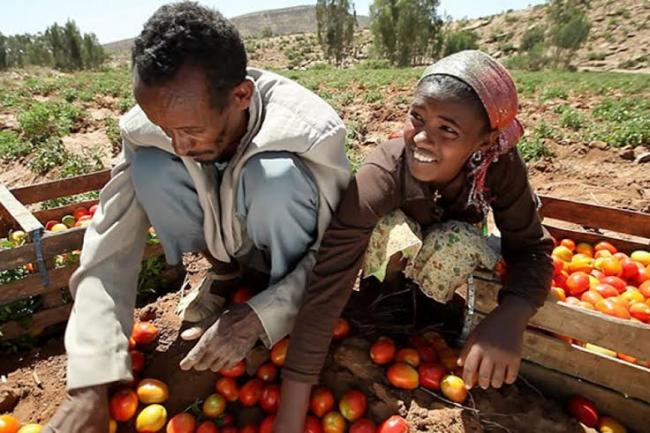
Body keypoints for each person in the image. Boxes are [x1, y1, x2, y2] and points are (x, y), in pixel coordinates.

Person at [43, 3, 350, 432]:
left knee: (274, 177)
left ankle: (273, 299)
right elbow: (107, 249)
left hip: (288, 251)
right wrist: (90, 381)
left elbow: (336, 255)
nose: (178, 145)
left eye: (190, 131)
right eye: (164, 127)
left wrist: (260, 315)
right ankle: (224, 274)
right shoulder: (157, 127)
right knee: (149, 167)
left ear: (241, 96)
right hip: (224, 235)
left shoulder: (309, 132)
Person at [274, 50, 554, 432]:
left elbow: (532, 247)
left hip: (448, 251)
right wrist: (290, 413)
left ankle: (434, 315)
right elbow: (329, 282)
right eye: (417, 119)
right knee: (387, 228)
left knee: (454, 241)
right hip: (399, 257)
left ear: (484, 139)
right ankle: (384, 305)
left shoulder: (500, 167)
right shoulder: (384, 171)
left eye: (448, 130)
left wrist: (512, 314)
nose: (422, 138)